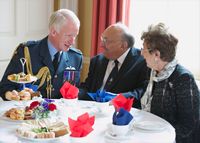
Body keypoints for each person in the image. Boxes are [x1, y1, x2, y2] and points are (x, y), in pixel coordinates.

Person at [0, 9, 83, 100]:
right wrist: (13, 94)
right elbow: (5, 87)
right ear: (53, 32)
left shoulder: (76, 57)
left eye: (75, 35)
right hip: (30, 112)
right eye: (69, 35)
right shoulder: (26, 52)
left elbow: (74, 94)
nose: (73, 41)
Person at [140, 23, 200, 143]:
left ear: (156, 54)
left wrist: (158, 139)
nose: (141, 53)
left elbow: (188, 126)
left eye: (144, 49)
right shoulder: (153, 72)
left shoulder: (183, 78)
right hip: (149, 132)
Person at [78, 22, 149, 108]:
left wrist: (118, 99)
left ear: (123, 45)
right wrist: (75, 93)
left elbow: (142, 92)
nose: (101, 45)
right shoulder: (97, 61)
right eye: (102, 39)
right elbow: (87, 86)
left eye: (106, 41)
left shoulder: (142, 61)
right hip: (93, 110)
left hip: (121, 114)